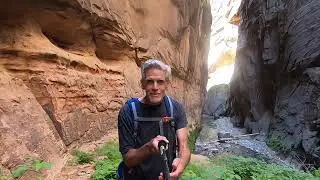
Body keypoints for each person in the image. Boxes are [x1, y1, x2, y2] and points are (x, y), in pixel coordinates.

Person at [118, 59, 191, 180]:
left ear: (166, 84)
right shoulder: (128, 111)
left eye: (160, 82)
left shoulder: (176, 108)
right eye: (150, 81)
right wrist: (149, 147)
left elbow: (184, 147)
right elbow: (128, 160)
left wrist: (181, 165)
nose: (155, 87)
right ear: (142, 84)